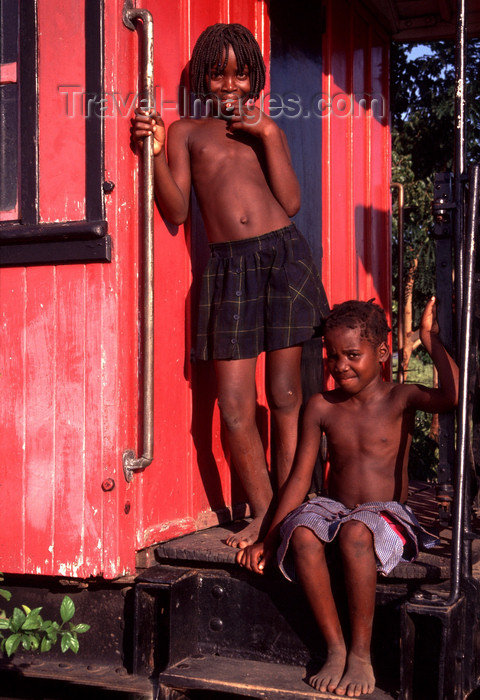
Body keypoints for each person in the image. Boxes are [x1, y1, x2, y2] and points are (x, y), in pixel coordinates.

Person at [131, 23, 329, 548]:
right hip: (227, 271)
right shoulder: (186, 131)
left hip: (283, 257)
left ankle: (292, 511)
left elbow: (290, 203)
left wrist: (265, 133)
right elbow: (174, 210)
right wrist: (152, 149)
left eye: (240, 74)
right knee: (235, 407)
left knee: (285, 396)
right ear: (202, 77)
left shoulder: (268, 128)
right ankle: (266, 515)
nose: (229, 85)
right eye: (217, 74)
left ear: (255, 78)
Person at [237, 297, 459, 697]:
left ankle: (361, 653)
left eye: (352, 355)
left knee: (356, 532)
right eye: (332, 356)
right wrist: (268, 539)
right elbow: (300, 478)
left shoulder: (399, 398)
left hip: (387, 513)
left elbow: (451, 397)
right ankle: (335, 648)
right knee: (302, 533)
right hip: (334, 508)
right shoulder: (321, 405)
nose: (339, 365)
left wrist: (431, 341)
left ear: (382, 353)